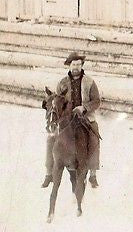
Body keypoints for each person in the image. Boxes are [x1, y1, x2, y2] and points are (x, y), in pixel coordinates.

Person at [42, 52, 101, 188]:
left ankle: (92, 174)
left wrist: (84, 108)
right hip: (66, 120)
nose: (76, 67)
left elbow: (97, 101)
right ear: (69, 66)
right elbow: (55, 101)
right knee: (51, 139)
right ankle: (49, 172)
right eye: (73, 64)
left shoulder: (89, 81)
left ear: (82, 66)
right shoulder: (62, 83)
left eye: (78, 64)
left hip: (85, 117)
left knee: (94, 137)